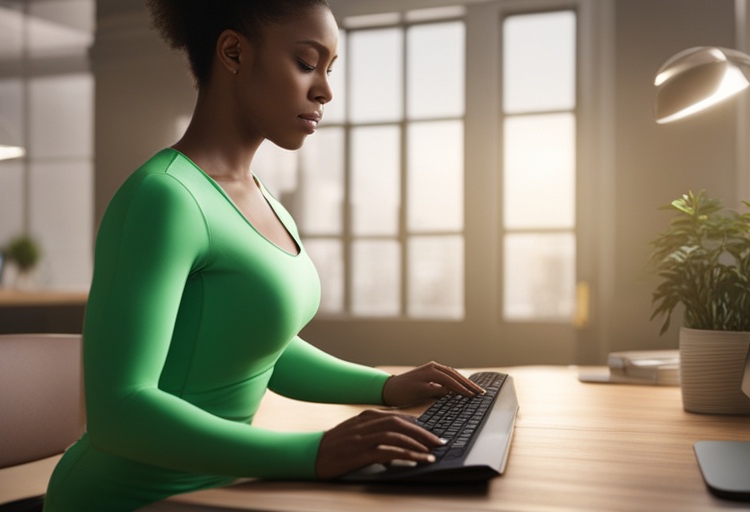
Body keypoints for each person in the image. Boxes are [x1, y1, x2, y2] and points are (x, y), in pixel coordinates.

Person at [43, 1, 485, 510]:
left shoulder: (265, 201)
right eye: (306, 62)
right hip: (124, 500)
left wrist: (387, 387)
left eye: (329, 69)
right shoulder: (164, 197)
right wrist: (315, 450)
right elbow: (119, 413)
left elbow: (259, 346)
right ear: (233, 52)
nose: (325, 90)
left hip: (220, 493)